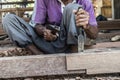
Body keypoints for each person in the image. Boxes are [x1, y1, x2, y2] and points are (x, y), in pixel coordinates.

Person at [2, 0, 98, 54]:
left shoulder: (85, 1)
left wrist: (87, 26)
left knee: (72, 8)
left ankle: (73, 56)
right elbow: (36, 24)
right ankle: (39, 55)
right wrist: (44, 31)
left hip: (72, 44)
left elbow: (94, 35)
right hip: (48, 43)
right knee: (8, 19)